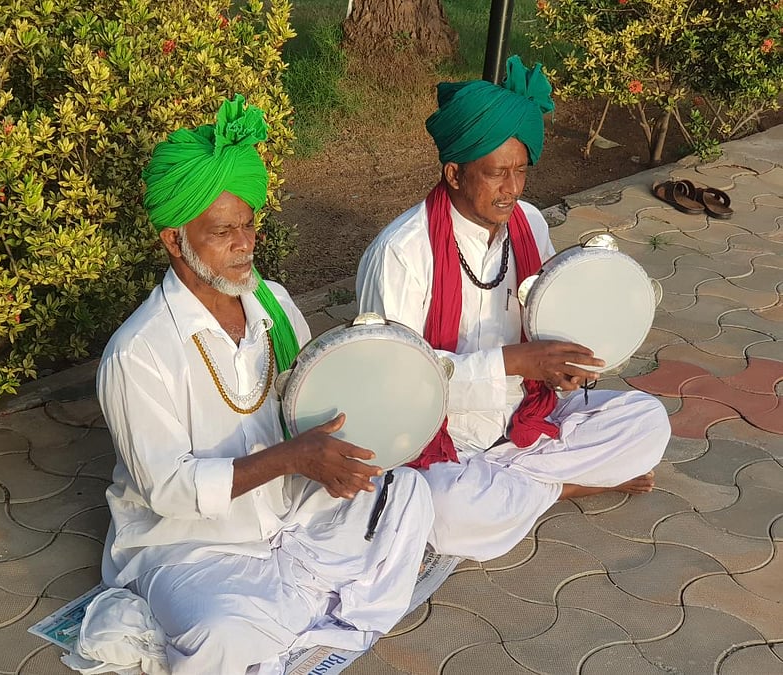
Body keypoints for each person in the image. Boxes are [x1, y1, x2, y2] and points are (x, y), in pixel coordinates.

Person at [65, 95, 434, 675]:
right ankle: (314, 621)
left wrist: (351, 436)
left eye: (248, 224)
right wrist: (292, 458)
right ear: (174, 239)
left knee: (408, 496)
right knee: (219, 630)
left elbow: (313, 406)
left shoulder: (274, 305)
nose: (245, 244)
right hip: (190, 549)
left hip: (288, 517)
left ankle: (306, 626)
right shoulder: (138, 354)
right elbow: (169, 492)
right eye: (222, 233)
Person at [355, 57, 670, 562]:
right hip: (443, 435)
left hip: (526, 414)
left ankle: (516, 488)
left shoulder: (528, 223)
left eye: (521, 171)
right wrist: (515, 362)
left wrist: (565, 368)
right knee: (451, 510)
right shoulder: (402, 253)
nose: (513, 189)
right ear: (454, 173)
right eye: (496, 174)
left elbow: (550, 322)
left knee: (648, 422)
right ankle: (564, 488)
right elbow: (396, 388)